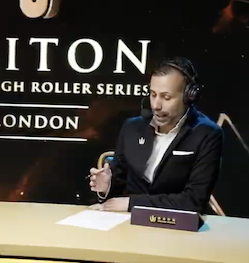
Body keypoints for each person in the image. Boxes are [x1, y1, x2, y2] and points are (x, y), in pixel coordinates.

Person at [89, 57, 223, 213]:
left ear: (189, 96)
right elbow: (119, 184)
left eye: (166, 97)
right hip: (128, 222)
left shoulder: (207, 134)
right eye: (153, 95)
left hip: (176, 224)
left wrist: (133, 203)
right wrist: (106, 186)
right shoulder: (132, 128)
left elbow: (194, 200)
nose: (156, 105)